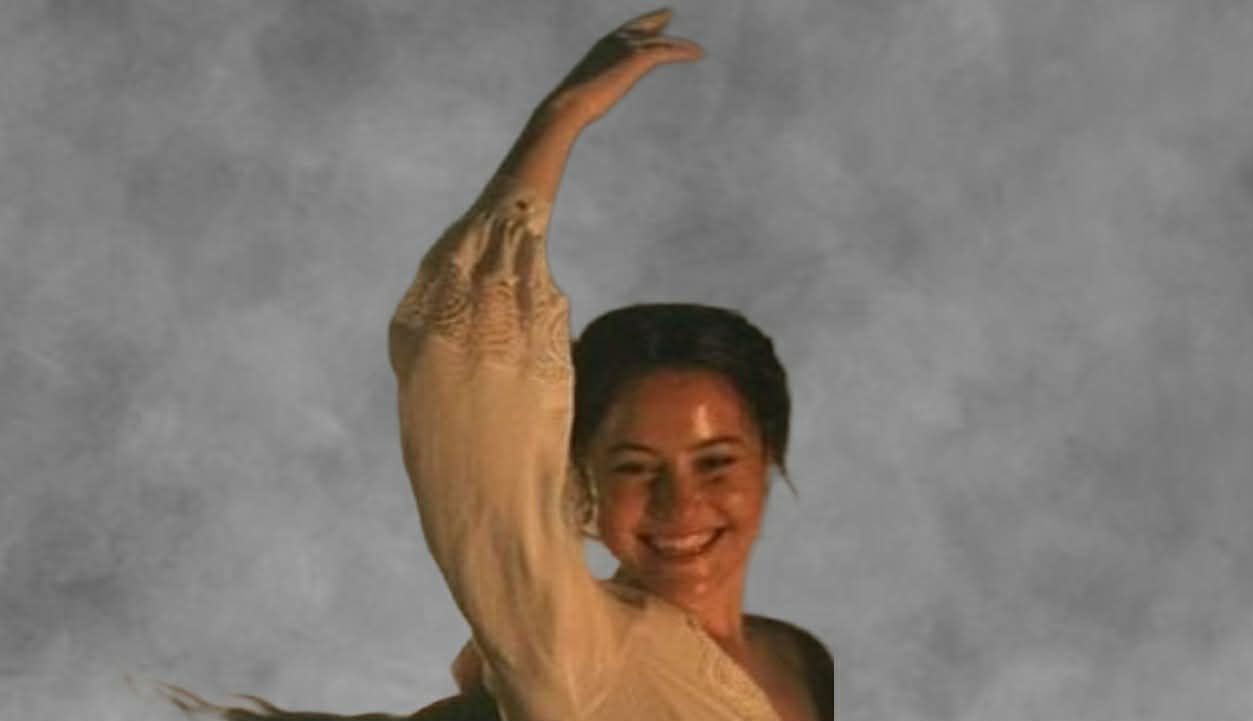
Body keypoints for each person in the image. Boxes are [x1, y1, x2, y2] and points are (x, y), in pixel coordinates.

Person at [155, 8, 831, 721]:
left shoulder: (797, 659)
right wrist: (562, 119)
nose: (679, 504)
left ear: (768, 454)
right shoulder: (569, 650)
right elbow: (465, 378)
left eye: (715, 462)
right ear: (582, 480)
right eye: (635, 467)